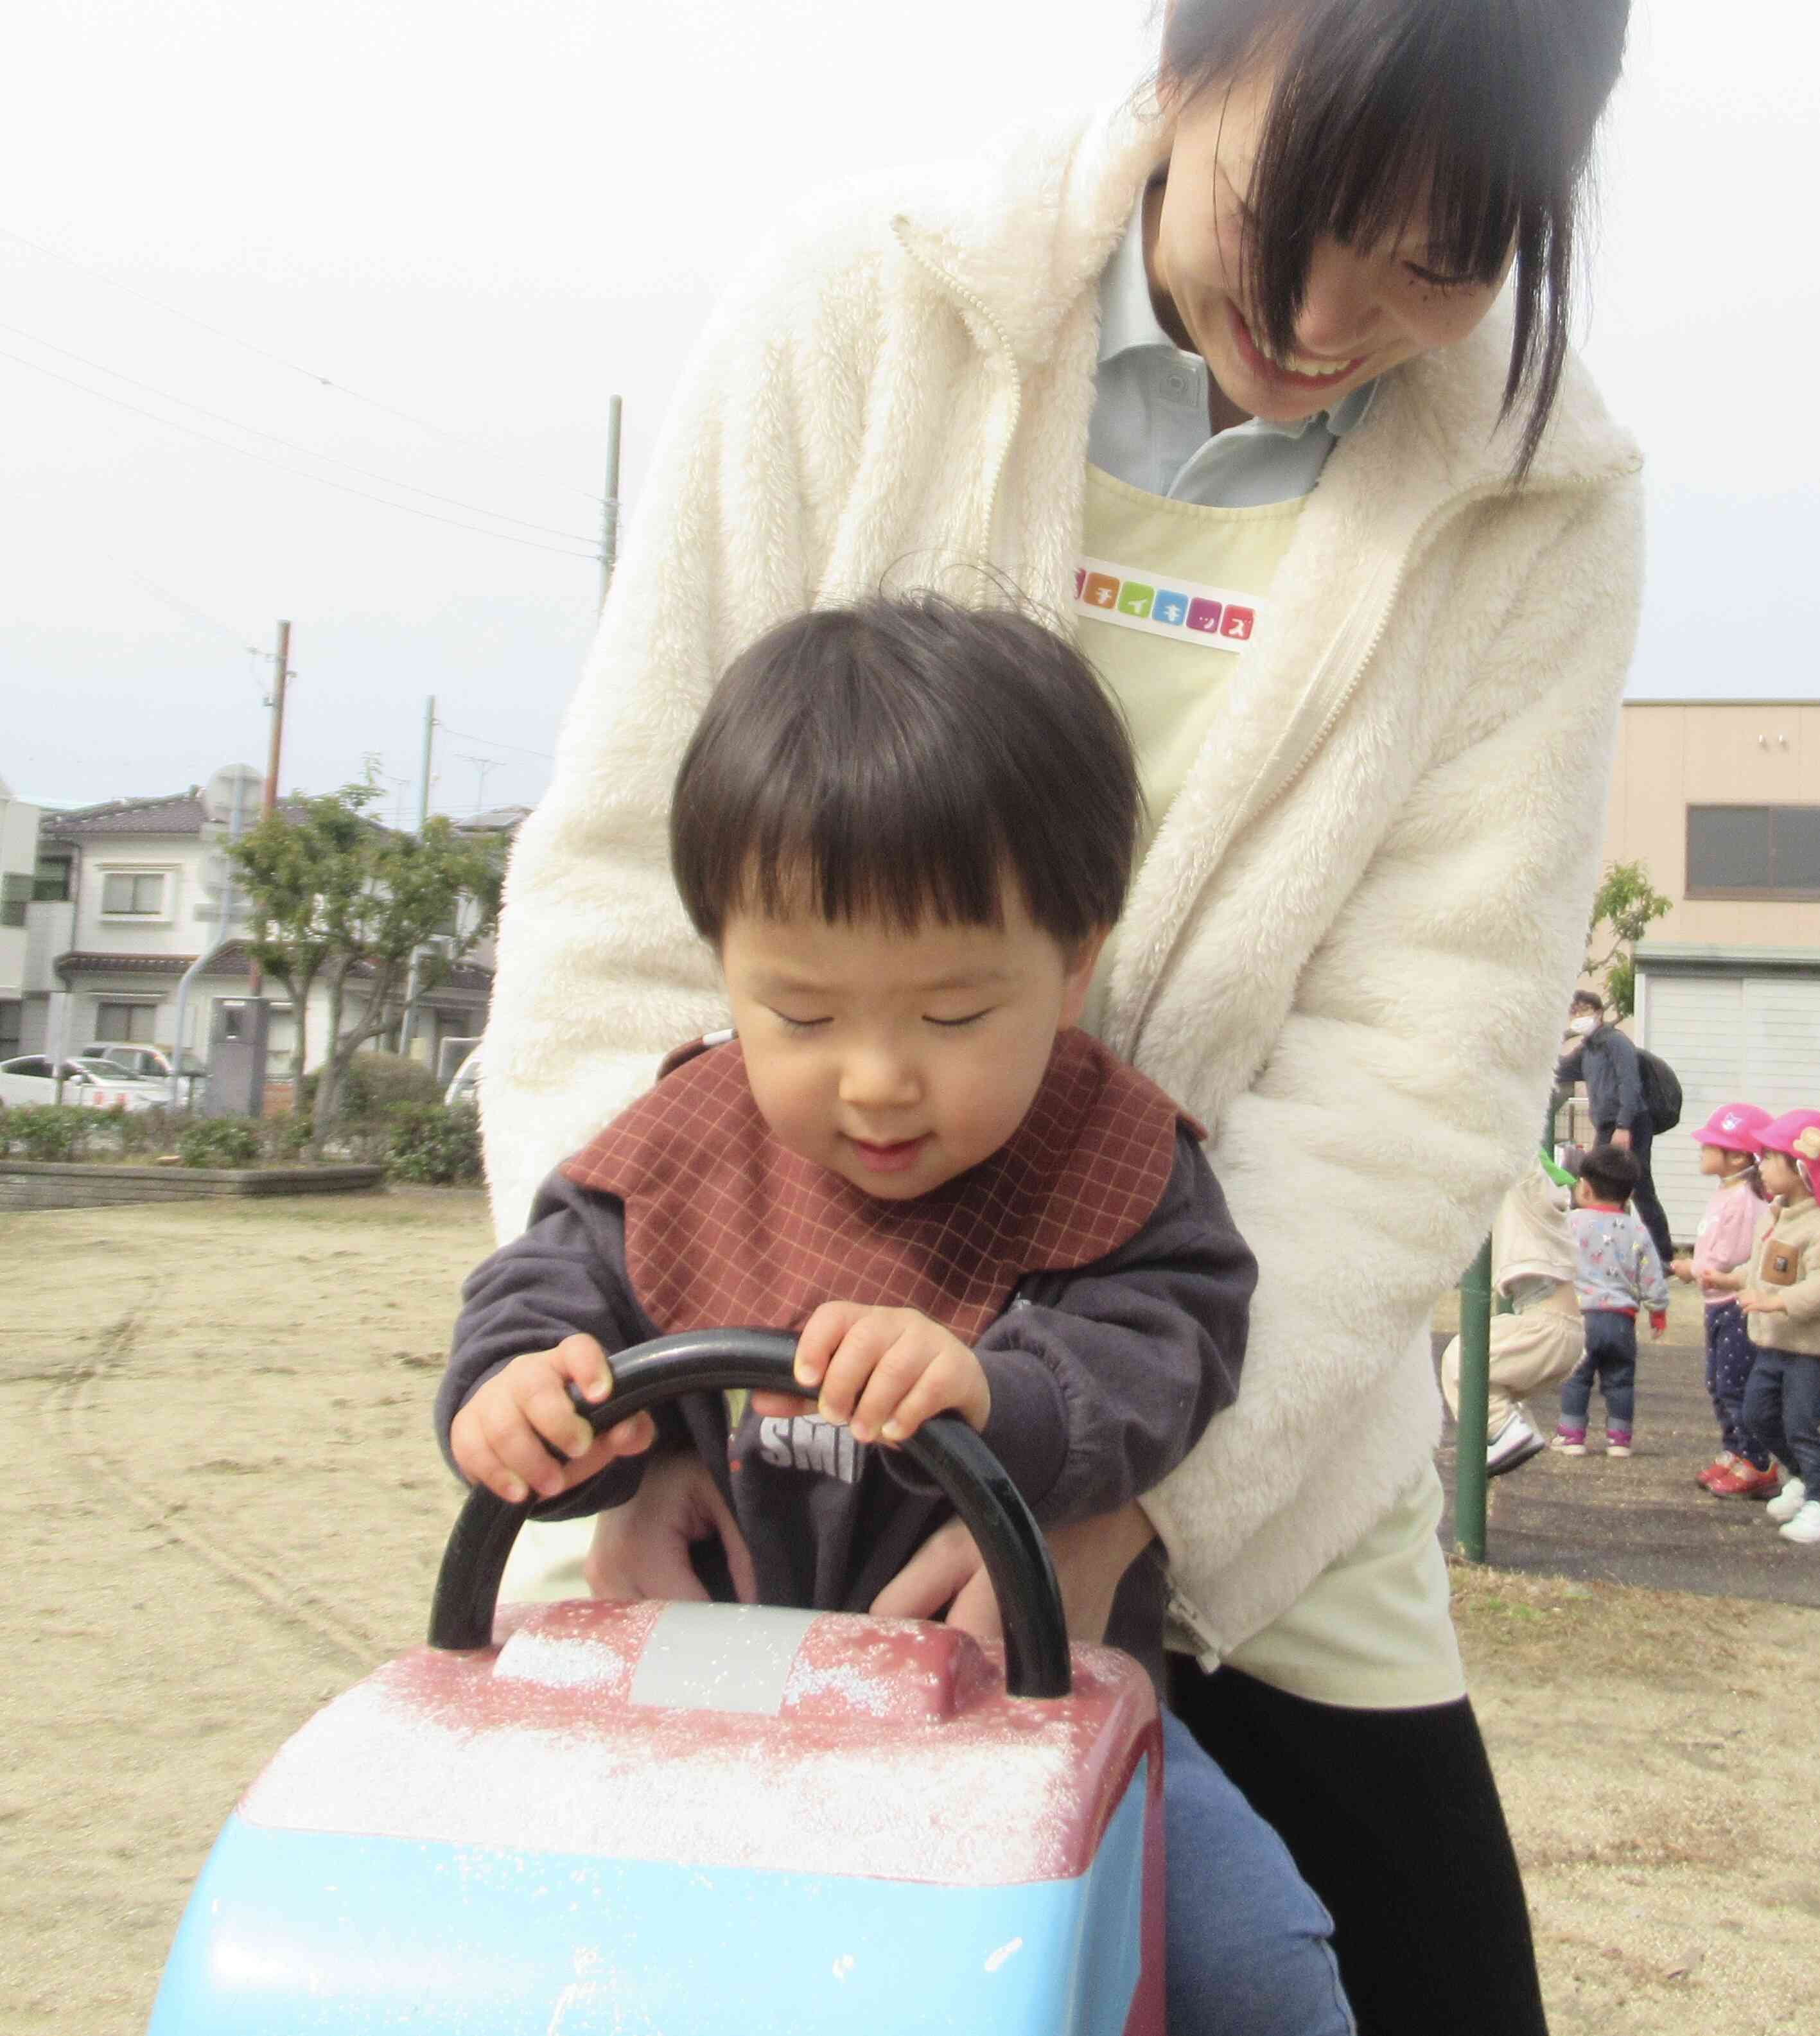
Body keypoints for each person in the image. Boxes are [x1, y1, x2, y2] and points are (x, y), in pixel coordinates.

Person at [479, 4, 1643, 2029]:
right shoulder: (868, 307)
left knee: (1406, 1976)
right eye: (1296, 216)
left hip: (1224, 1378)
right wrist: (651, 1404)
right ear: (1182, 71)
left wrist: (1127, 1495)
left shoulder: (1537, 498)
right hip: (759, 1399)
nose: (1331, 314)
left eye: (1444, 262)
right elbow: (622, 899)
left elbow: (1414, 1073)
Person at [442, 599, 1349, 2031]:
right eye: (800, 1014)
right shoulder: (682, 1138)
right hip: (698, 1699)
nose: (874, 1079)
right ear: (721, 963)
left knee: (1259, 1965)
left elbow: (1180, 1340)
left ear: (1073, 959)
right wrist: (528, 1398)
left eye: (947, 1016)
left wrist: (1001, 1393)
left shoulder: (1114, 1158)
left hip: (1019, 1719)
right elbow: (551, 1286)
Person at [1740, 1110, 1820, 1546]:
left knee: (1800, 1426)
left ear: (1800, 1167)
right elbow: (1764, 1273)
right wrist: (1730, 1280)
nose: (1761, 1166)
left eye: (1770, 1157)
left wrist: (1777, 1302)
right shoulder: (1777, 1217)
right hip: (1775, 1344)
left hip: (1811, 1351)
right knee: (1756, 1414)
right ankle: (1809, 1481)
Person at [1440, 1149, 1584, 1477]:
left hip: (1548, 1330)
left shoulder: (1528, 1184)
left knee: (1463, 1358)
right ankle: (1515, 1427)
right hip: (1557, 1330)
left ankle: (1507, 1429)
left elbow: (1515, 1150)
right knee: (1486, 1372)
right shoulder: (1544, 1213)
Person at [1670, 1102, 1776, 1498]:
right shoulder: (1727, 1194)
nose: (1702, 1150)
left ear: (1737, 1157)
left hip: (1734, 1306)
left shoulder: (1743, 1203)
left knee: (1736, 1385)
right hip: (1717, 1304)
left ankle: (1756, 1460)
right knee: (1718, 1382)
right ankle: (1734, 1450)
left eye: (1711, 1144)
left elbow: (1728, 1262)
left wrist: (1692, 1269)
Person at [1552, 1145, 1668, 1457]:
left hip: (1582, 1316)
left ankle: (1573, 1435)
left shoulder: (1571, 1223)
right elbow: (1652, 1272)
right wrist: (1657, 1309)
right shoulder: (1637, 1229)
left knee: (1577, 1377)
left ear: (1585, 1189)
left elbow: (1555, 1260)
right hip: (1621, 1319)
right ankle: (1619, 1439)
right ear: (1628, 1196)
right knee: (1620, 1380)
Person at [1562, 988, 1676, 1262]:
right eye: (1574, 1012)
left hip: (1631, 1122)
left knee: (1639, 1186)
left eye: (1584, 1010)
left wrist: (1624, 1126)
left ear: (1599, 1013)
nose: (1579, 1017)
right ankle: (1606, 1249)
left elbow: (1630, 1083)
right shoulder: (1588, 1050)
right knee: (1598, 1182)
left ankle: (1663, 1257)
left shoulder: (1615, 1042)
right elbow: (1560, 1069)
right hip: (1605, 1124)